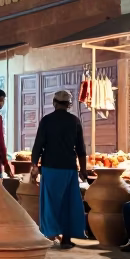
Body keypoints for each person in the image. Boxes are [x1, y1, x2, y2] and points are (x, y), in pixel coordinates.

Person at [30, 90, 88, 248]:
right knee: (69, 202)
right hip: (69, 168)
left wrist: (34, 165)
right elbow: (81, 149)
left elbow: (38, 145)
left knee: (51, 202)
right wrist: (83, 170)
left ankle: (50, 234)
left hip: (50, 168)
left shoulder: (47, 121)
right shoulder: (74, 121)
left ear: (54, 103)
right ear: (69, 105)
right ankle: (67, 239)